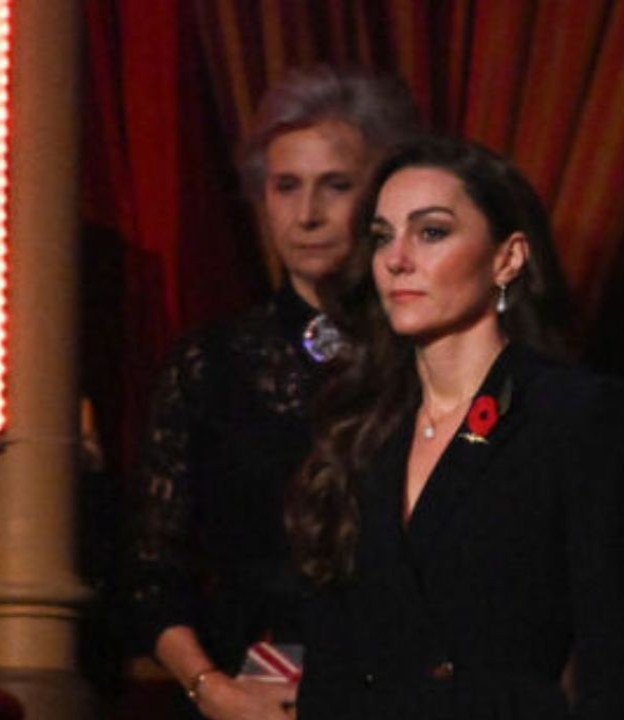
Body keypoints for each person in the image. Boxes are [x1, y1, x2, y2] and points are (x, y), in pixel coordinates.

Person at [286, 136, 624, 719]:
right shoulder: (361, 426)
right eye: (383, 236)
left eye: (431, 232)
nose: (396, 258)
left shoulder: (574, 415)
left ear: (507, 258)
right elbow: (331, 660)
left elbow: (615, 656)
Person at [123, 65, 421, 719]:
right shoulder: (210, 363)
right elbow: (151, 575)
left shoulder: (428, 354)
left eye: (335, 186)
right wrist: (212, 690)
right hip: (240, 696)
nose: (308, 214)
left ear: (383, 196)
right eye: (287, 187)